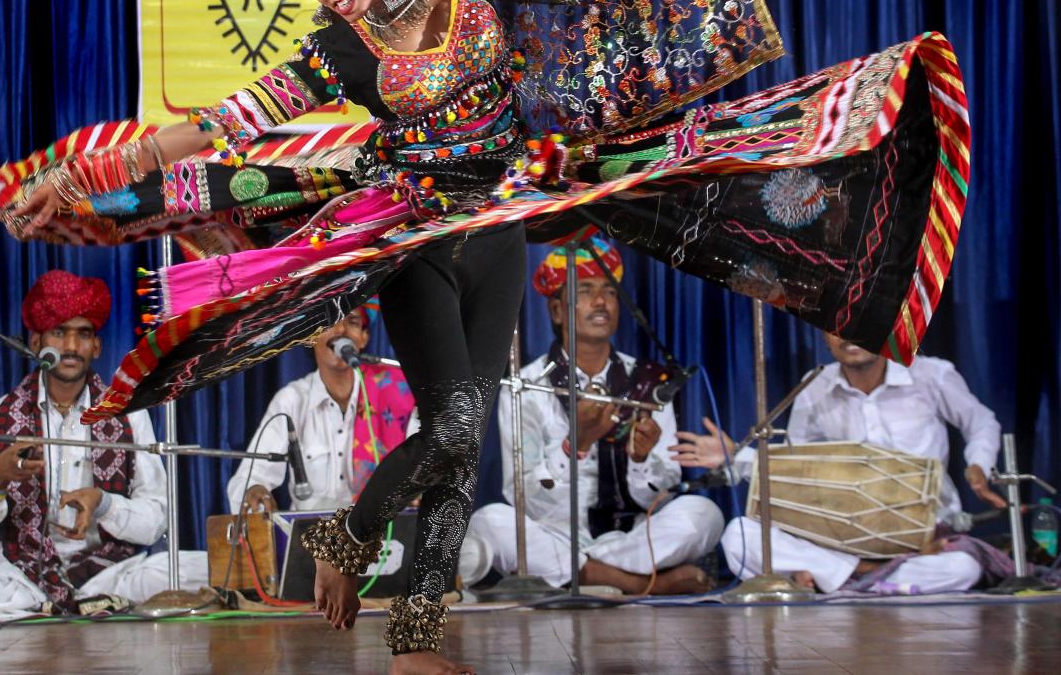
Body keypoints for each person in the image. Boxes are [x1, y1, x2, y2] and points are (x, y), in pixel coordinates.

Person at [0, 0, 972, 671]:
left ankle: (405, 621)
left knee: (461, 437)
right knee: (450, 426)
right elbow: (230, 121)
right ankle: (383, 580)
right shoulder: (338, 50)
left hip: (496, 222)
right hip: (408, 233)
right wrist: (104, 171)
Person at [0, 270, 206, 621]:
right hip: (23, 576)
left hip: (112, 573)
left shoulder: (128, 414)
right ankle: (58, 604)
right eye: (59, 332)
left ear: (96, 346)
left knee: (205, 567)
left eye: (83, 334)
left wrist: (103, 505)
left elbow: (156, 522)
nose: (71, 347)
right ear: (37, 342)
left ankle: (56, 608)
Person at [464, 236, 723, 594]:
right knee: (489, 522)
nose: (600, 302)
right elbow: (521, 495)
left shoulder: (650, 383)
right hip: (554, 535)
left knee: (703, 514)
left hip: (631, 538)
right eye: (584, 290)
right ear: (557, 310)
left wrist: (641, 459)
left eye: (610, 292)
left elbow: (662, 492)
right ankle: (640, 583)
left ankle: (583, 575)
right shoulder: (525, 387)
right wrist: (576, 444)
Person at [671, 332, 1005, 595]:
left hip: (923, 535)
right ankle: (868, 575)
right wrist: (738, 458)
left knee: (964, 567)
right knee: (739, 536)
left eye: (862, 322)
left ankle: (833, 578)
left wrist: (977, 466)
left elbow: (982, 422)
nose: (850, 335)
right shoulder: (815, 387)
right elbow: (794, 471)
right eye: (837, 325)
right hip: (840, 538)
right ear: (823, 335)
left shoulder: (931, 374)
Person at [227, 304, 415, 514]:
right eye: (329, 322)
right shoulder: (292, 401)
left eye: (351, 321)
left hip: (380, 537)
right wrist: (254, 490)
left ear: (364, 337)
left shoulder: (395, 394)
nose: (340, 330)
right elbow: (248, 478)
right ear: (311, 337)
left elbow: (424, 465)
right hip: (309, 540)